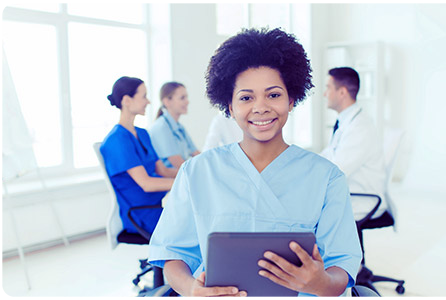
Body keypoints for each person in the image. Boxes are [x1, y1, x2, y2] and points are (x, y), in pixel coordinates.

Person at [148, 28, 362, 298]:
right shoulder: (197, 172)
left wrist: (320, 283)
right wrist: (190, 288)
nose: (260, 107)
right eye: (246, 98)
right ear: (229, 105)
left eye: (273, 95)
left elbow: (342, 268)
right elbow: (173, 256)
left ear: (292, 99)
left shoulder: (327, 177)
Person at [100, 76, 177, 235]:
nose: (148, 102)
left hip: (157, 205)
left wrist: (192, 174)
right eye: (143, 96)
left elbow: (163, 171)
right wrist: (184, 183)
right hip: (141, 215)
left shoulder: (142, 134)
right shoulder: (116, 140)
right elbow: (146, 183)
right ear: (127, 100)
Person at [319, 67, 386, 220]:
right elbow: (329, 154)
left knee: (305, 210)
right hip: (350, 193)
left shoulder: (359, 128)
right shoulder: (346, 122)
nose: (325, 94)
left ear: (342, 92)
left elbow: (337, 171)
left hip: (362, 199)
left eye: (328, 88)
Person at [149, 82, 200, 170]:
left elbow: (196, 153)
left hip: (180, 175)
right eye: (182, 98)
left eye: (186, 97)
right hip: (169, 179)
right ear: (167, 102)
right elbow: (177, 162)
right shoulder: (161, 127)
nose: (187, 102)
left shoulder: (180, 127)